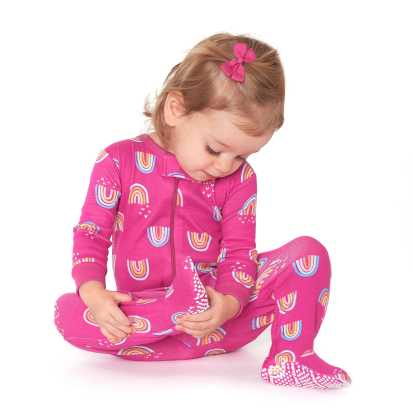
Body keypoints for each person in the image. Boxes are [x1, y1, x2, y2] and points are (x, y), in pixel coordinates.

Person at [54, 33, 352, 390]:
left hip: (217, 316)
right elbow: (92, 233)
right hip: (141, 312)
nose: (226, 165)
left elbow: (240, 253)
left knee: (308, 255)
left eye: (242, 155)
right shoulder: (118, 162)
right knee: (67, 313)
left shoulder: (240, 179)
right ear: (175, 109)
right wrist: (94, 294)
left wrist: (227, 304)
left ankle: (290, 358)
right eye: (215, 149)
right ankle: (167, 320)